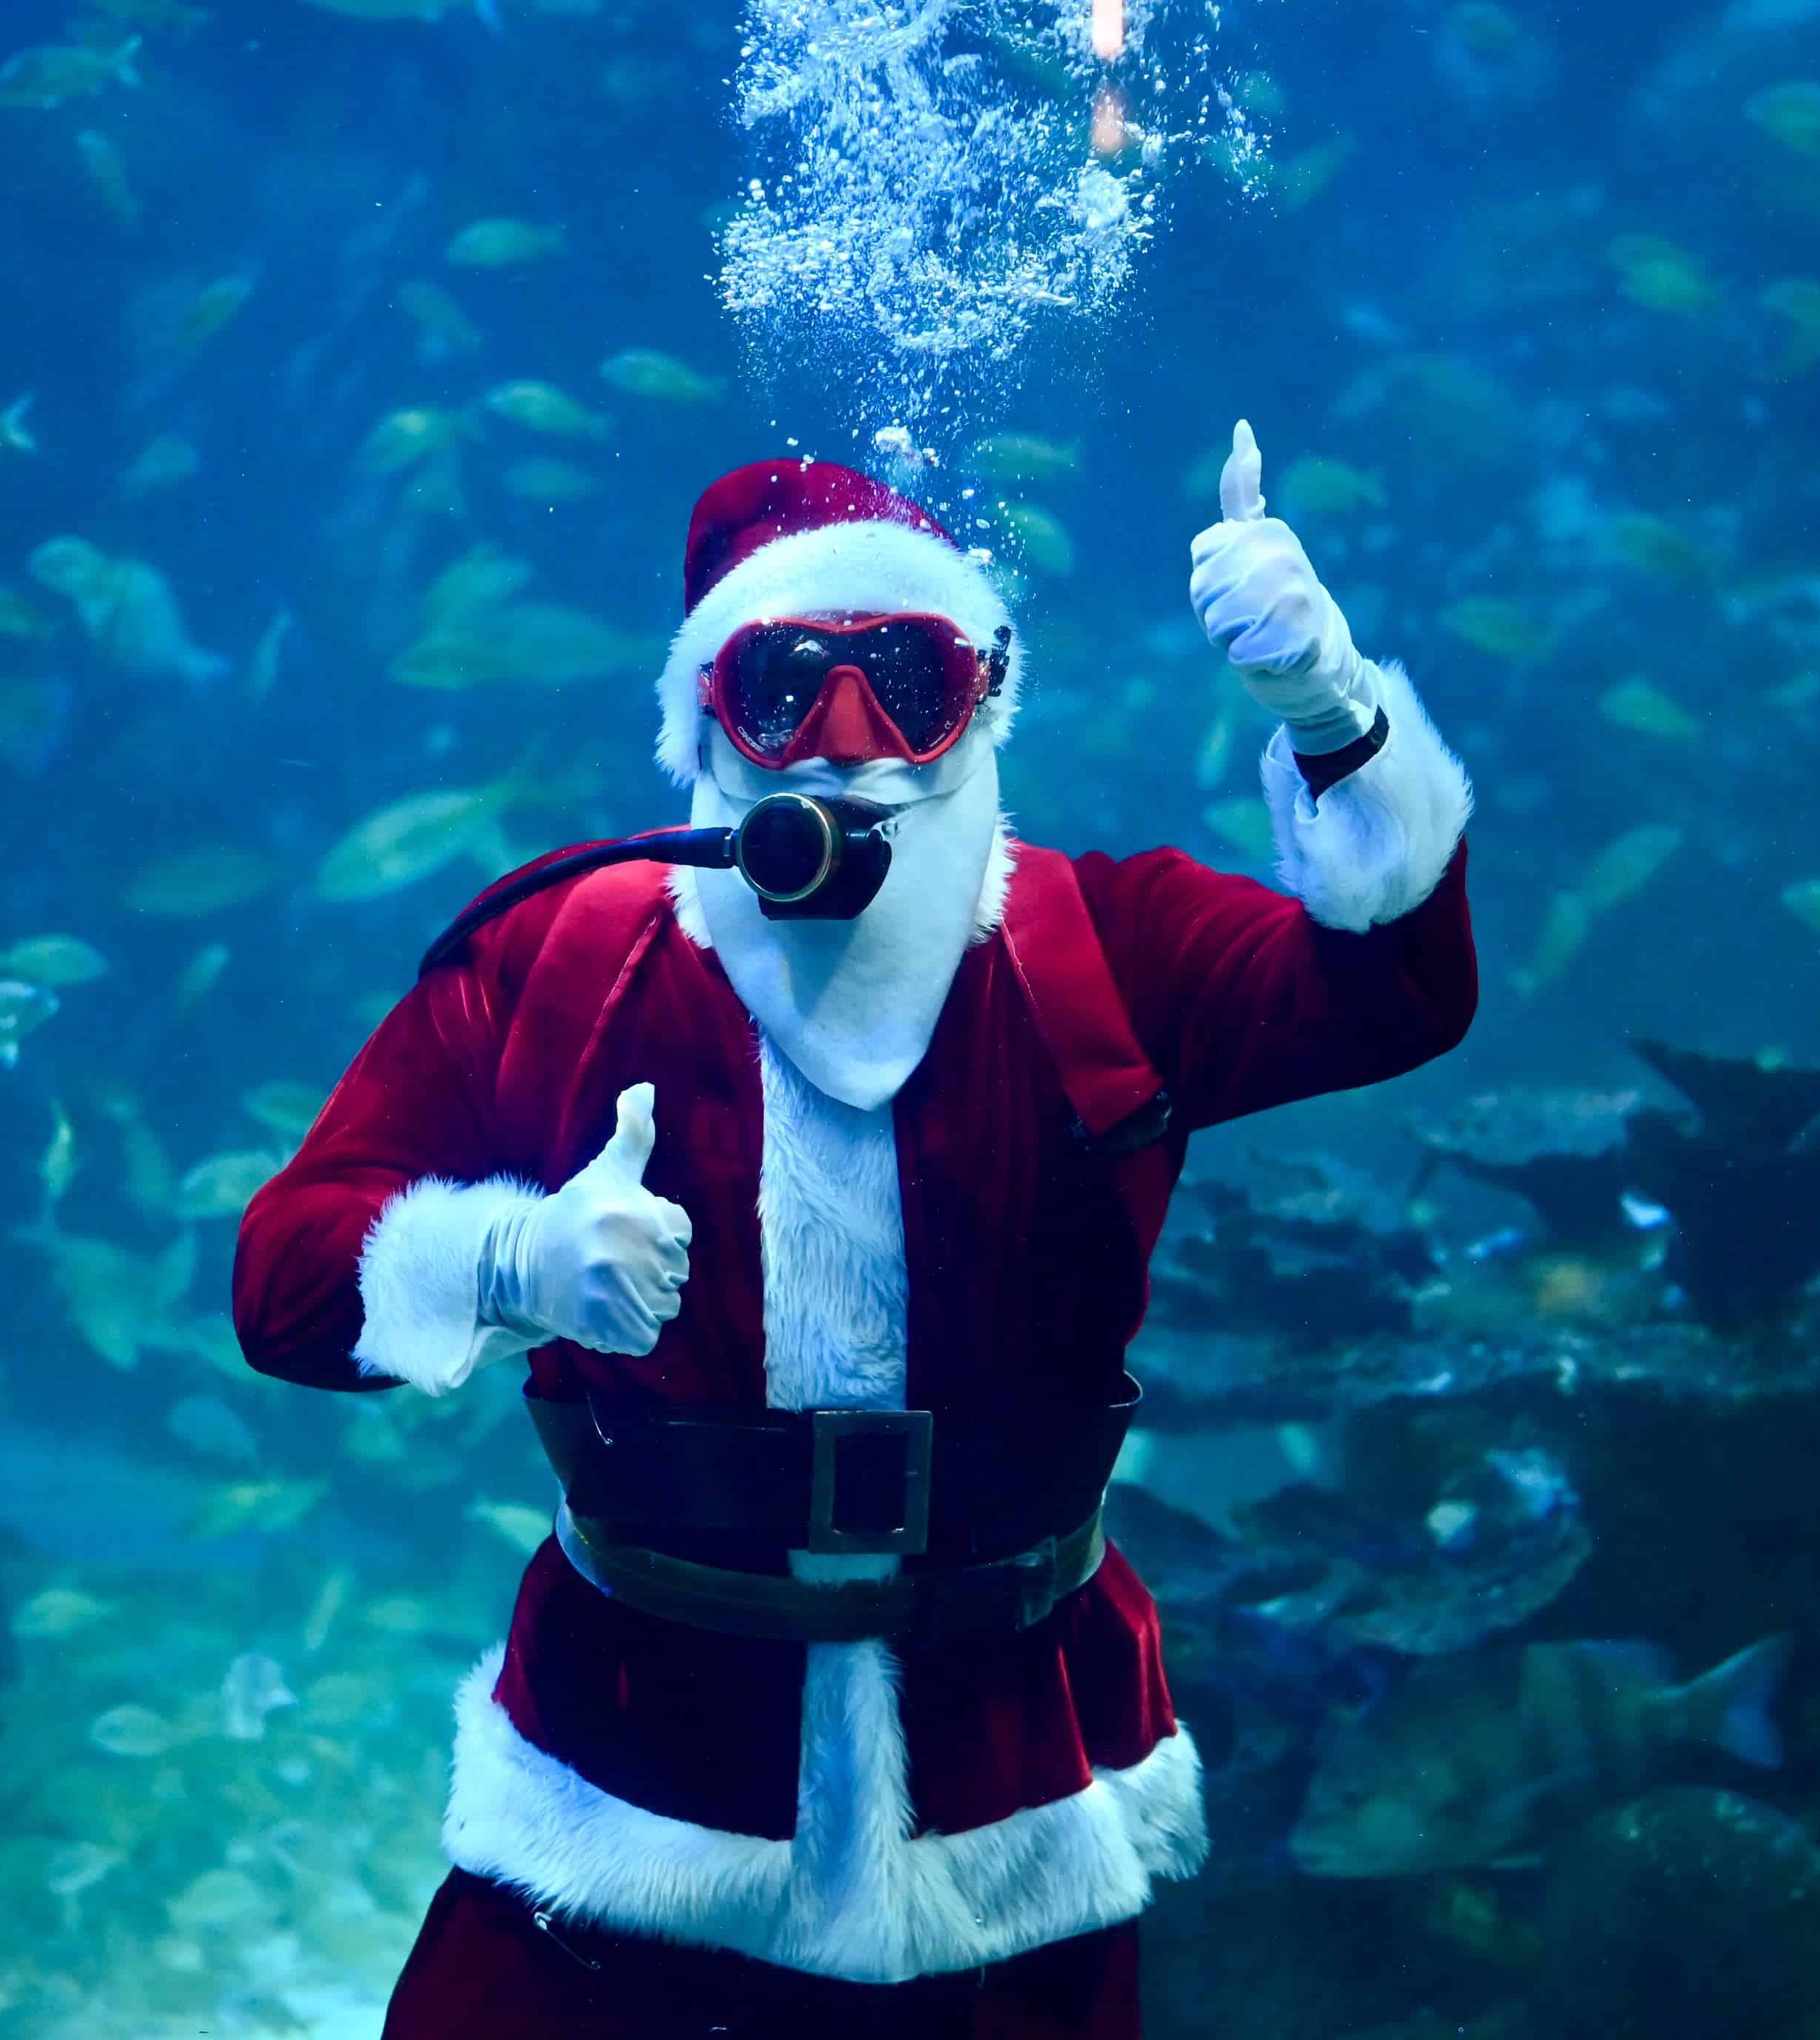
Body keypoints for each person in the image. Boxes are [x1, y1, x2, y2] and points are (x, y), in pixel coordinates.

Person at [232, 419, 1480, 2038]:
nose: (845, 742)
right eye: (780, 687)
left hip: (1013, 1784)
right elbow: (278, 1279)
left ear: (987, 701)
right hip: (629, 1791)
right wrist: (504, 1261)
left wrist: (1333, 710)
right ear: (704, 721)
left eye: (910, 677)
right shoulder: (563, 958)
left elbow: (1397, 990)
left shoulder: (1101, 946)